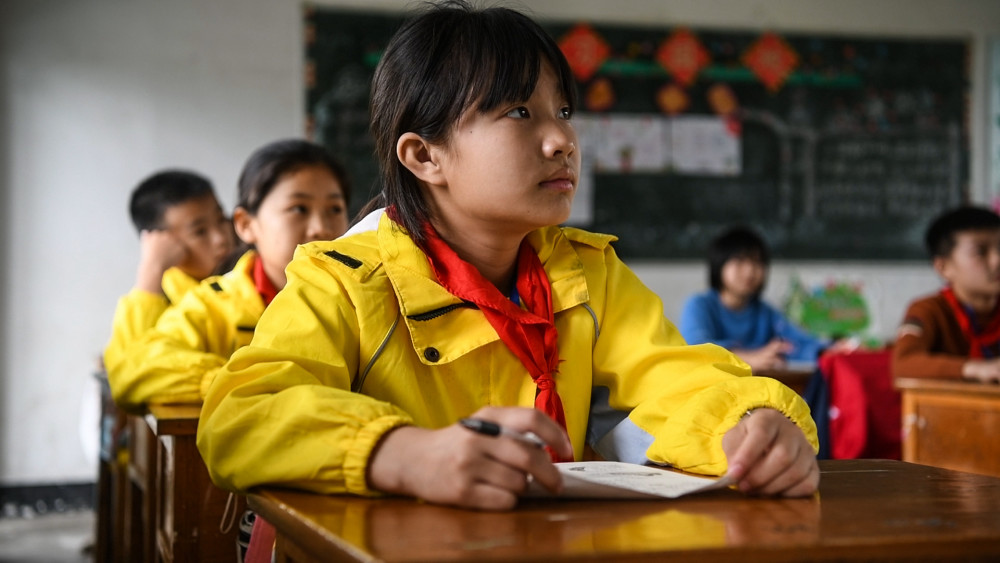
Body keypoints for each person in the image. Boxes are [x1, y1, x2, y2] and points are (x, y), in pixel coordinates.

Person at [197, 0, 819, 513]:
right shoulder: (345, 280)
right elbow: (242, 415)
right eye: (520, 112)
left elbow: (679, 378)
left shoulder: (585, 273)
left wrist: (750, 425)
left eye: (564, 111)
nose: (562, 140)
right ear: (424, 156)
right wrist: (403, 453)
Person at [107, 139, 351, 411]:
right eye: (298, 209)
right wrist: (245, 382)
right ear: (246, 224)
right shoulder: (210, 304)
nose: (320, 228)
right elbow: (132, 368)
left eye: (335, 209)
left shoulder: (364, 292)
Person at [103, 170, 233, 375]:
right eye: (200, 231)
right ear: (164, 243)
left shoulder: (251, 271)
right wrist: (152, 268)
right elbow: (126, 371)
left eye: (221, 219)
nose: (220, 238)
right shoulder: (161, 302)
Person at [679, 226, 836, 372]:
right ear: (719, 265)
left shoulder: (765, 313)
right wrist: (748, 358)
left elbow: (797, 343)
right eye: (740, 261)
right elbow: (696, 349)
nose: (750, 271)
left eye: (757, 262)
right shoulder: (699, 305)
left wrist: (829, 350)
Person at [893, 205, 1000, 383]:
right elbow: (903, 364)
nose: (997, 261)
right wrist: (976, 368)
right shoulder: (928, 310)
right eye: (980, 252)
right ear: (944, 267)